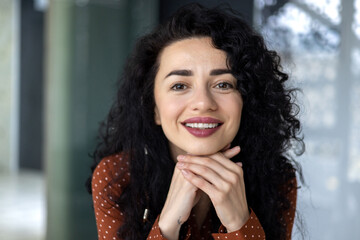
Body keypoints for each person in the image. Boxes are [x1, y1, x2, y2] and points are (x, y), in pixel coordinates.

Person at [86, 3, 304, 240]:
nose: (203, 102)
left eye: (223, 84)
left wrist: (239, 223)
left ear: (246, 102)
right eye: (179, 86)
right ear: (154, 109)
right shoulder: (117, 177)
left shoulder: (277, 177)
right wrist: (168, 225)